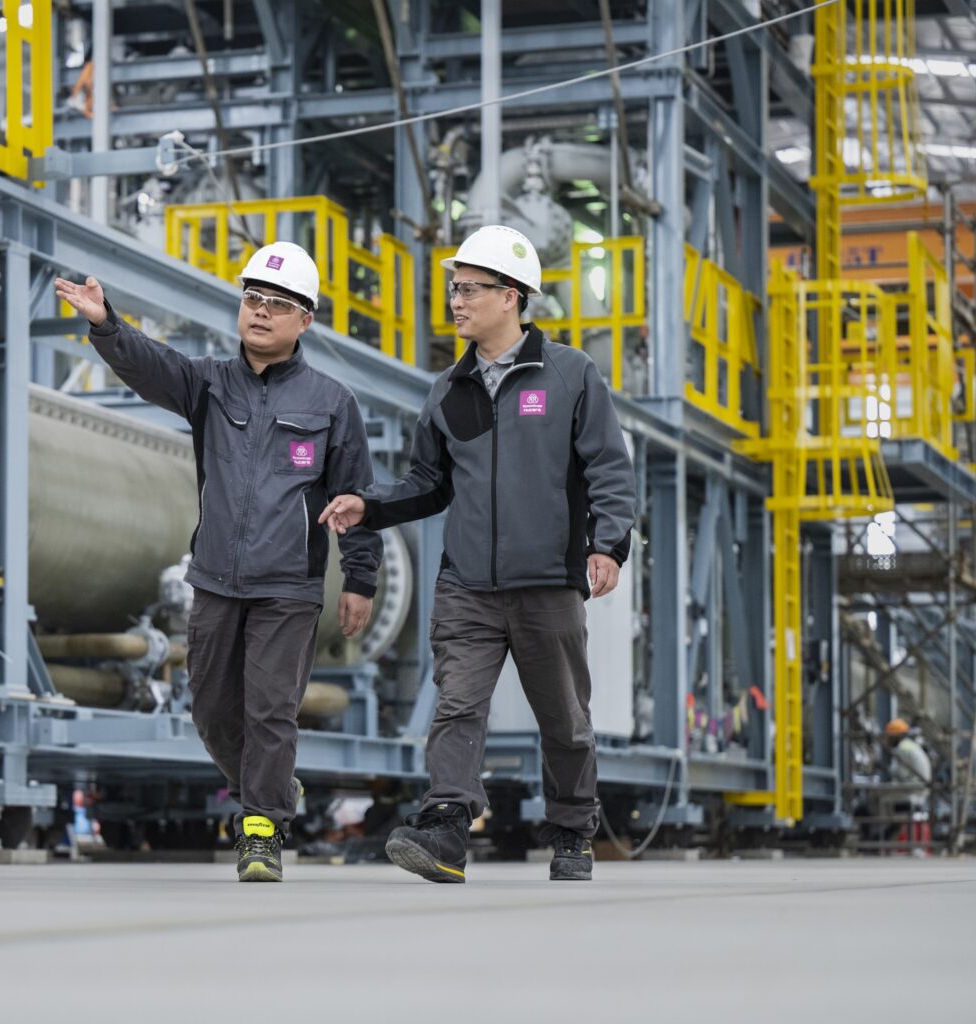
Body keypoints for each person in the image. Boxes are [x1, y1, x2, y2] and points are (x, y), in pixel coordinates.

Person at [55, 242, 381, 882]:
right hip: (215, 581)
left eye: (277, 304)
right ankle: (275, 790)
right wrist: (106, 325)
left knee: (269, 710)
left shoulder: (331, 402)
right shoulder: (208, 382)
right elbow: (152, 366)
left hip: (288, 584)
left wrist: (361, 579)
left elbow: (356, 499)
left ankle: (259, 829)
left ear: (304, 320)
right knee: (208, 709)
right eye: (252, 299)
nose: (260, 313)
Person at [319, 225, 635, 883]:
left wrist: (607, 545)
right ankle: (445, 830)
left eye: (469, 289)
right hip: (466, 584)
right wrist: (369, 507)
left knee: (565, 719)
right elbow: (428, 487)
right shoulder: (448, 392)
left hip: (547, 579)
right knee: (457, 706)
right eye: (453, 289)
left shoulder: (571, 374)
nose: (456, 302)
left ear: (511, 295)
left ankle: (573, 832)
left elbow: (609, 466)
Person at [882, 718, 932, 851]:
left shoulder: (901, 749)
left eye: (889, 737)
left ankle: (882, 834)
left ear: (895, 737)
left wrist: (889, 770)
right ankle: (892, 829)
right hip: (920, 789)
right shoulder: (910, 745)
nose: (887, 740)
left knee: (878, 798)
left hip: (912, 790)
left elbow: (902, 775)